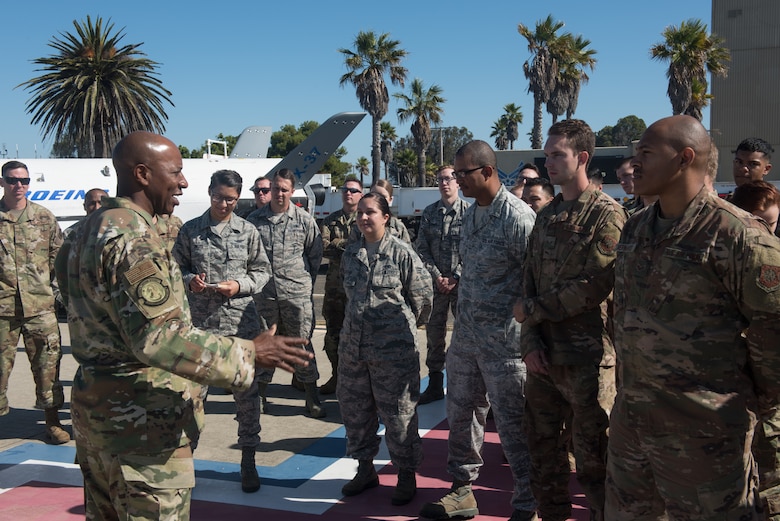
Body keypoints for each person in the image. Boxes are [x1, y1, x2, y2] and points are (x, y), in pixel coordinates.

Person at [54, 131, 313, 520]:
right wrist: (249, 353)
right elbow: (157, 339)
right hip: (141, 426)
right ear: (142, 173)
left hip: (99, 420)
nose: (184, 182)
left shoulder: (84, 232)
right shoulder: (132, 239)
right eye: (175, 172)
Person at [605, 115, 780, 520]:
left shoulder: (739, 236)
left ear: (685, 158)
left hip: (705, 441)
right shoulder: (634, 231)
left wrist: (739, 407)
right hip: (632, 432)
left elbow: (772, 336)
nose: (635, 164)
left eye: (646, 153)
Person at [419, 140, 537, 521]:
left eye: (462, 173)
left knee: (514, 425)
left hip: (505, 346)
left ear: (487, 171)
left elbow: (534, 282)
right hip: (467, 338)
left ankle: (526, 502)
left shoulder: (518, 218)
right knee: (462, 415)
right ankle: (462, 491)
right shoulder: (470, 216)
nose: (456, 180)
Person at [514, 119, 626, 521]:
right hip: (543, 358)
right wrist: (528, 342)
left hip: (587, 360)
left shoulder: (607, 215)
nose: (549, 163)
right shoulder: (548, 214)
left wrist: (533, 311)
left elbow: (594, 285)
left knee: (595, 462)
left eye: (557, 155)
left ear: (582, 157)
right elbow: (527, 278)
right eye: (546, 155)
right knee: (543, 455)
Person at [172, 169, 271, 493]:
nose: (224, 204)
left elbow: (262, 272)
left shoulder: (248, 231)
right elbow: (177, 268)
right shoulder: (190, 231)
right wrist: (191, 282)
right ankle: (185, 461)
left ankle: (248, 460)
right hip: (201, 330)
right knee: (190, 400)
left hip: (240, 328)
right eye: (219, 197)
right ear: (210, 192)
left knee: (247, 399)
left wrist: (240, 285)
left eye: (230, 199)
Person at [338, 192, 433, 506]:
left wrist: (395, 330)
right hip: (354, 351)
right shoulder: (351, 254)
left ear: (386, 217)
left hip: (393, 354)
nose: (365, 218)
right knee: (356, 412)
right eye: (361, 213)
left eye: (371, 212)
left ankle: (406, 474)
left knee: (399, 416)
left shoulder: (401, 253)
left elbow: (422, 299)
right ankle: (365, 470)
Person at [0, 160, 69, 444]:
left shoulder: (44, 217)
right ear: (2, 181)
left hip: (40, 307)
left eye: (24, 181)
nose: (19, 186)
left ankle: (52, 422)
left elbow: (60, 260)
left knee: (48, 366)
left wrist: (62, 297)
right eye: (13, 180)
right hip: (2, 308)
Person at [248, 168, 325, 418]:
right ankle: (259, 396)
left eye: (284, 189)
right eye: (275, 189)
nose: (279, 193)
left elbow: (314, 256)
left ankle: (311, 397)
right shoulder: (254, 220)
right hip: (264, 297)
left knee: (301, 345)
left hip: (296, 295)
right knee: (263, 344)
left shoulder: (304, 220)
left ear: (292, 192)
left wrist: (300, 283)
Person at [414, 164, 470, 404]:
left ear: (458, 182)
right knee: (434, 335)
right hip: (436, 286)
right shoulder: (429, 213)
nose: (444, 183)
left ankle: (464, 384)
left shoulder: (470, 212)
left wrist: (456, 276)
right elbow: (421, 248)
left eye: (449, 178)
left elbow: (473, 248)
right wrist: (437, 276)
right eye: (440, 179)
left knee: (466, 336)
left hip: (462, 286)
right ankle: (435, 384)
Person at [319, 175, 363, 395]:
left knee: (358, 336)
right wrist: (348, 245)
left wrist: (339, 246)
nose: (348, 193)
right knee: (333, 334)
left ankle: (355, 381)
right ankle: (336, 377)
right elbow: (323, 246)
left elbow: (366, 245)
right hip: (335, 287)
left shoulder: (365, 219)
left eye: (353, 190)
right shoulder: (331, 220)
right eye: (346, 189)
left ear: (361, 194)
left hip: (358, 289)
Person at [348, 178, 411, 244]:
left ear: (390, 200)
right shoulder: (360, 225)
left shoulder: (398, 227)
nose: (377, 199)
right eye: (374, 195)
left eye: (383, 196)